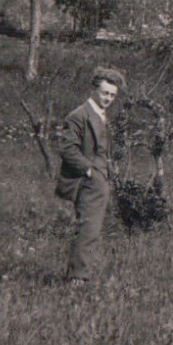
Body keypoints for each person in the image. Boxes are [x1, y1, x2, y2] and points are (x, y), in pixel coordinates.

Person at [55, 66, 124, 283]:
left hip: (101, 180)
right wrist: (89, 171)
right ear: (94, 90)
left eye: (112, 95)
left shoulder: (102, 116)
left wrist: (110, 169)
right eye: (105, 93)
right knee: (88, 229)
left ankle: (83, 274)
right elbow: (67, 149)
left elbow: (103, 148)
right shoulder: (78, 115)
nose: (108, 98)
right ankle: (77, 278)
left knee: (93, 230)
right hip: (87, 181)